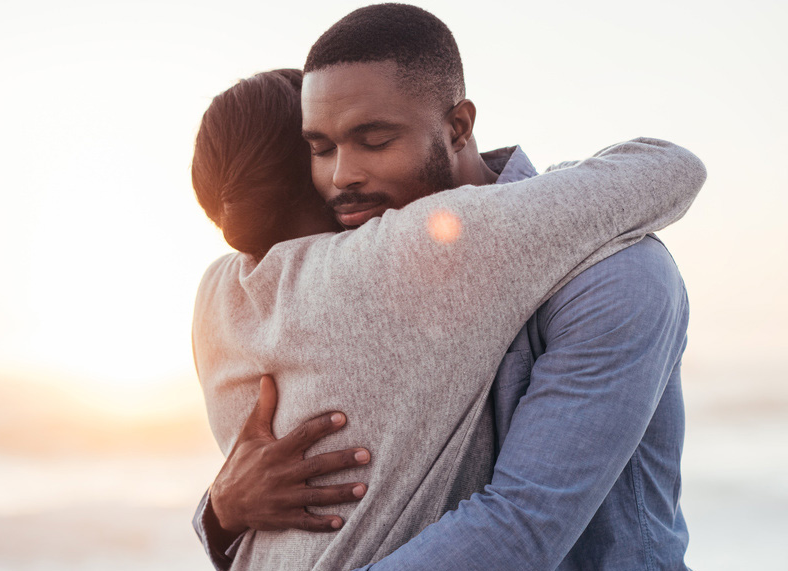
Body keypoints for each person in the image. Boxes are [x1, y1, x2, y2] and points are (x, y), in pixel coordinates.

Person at [190, 6, 704, 570]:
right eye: (321, 148)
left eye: (374, 139)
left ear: (457, 127)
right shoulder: (354, 274)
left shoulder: (615, 273)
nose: (342, 176)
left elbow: (521, 523)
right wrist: (221, 509)